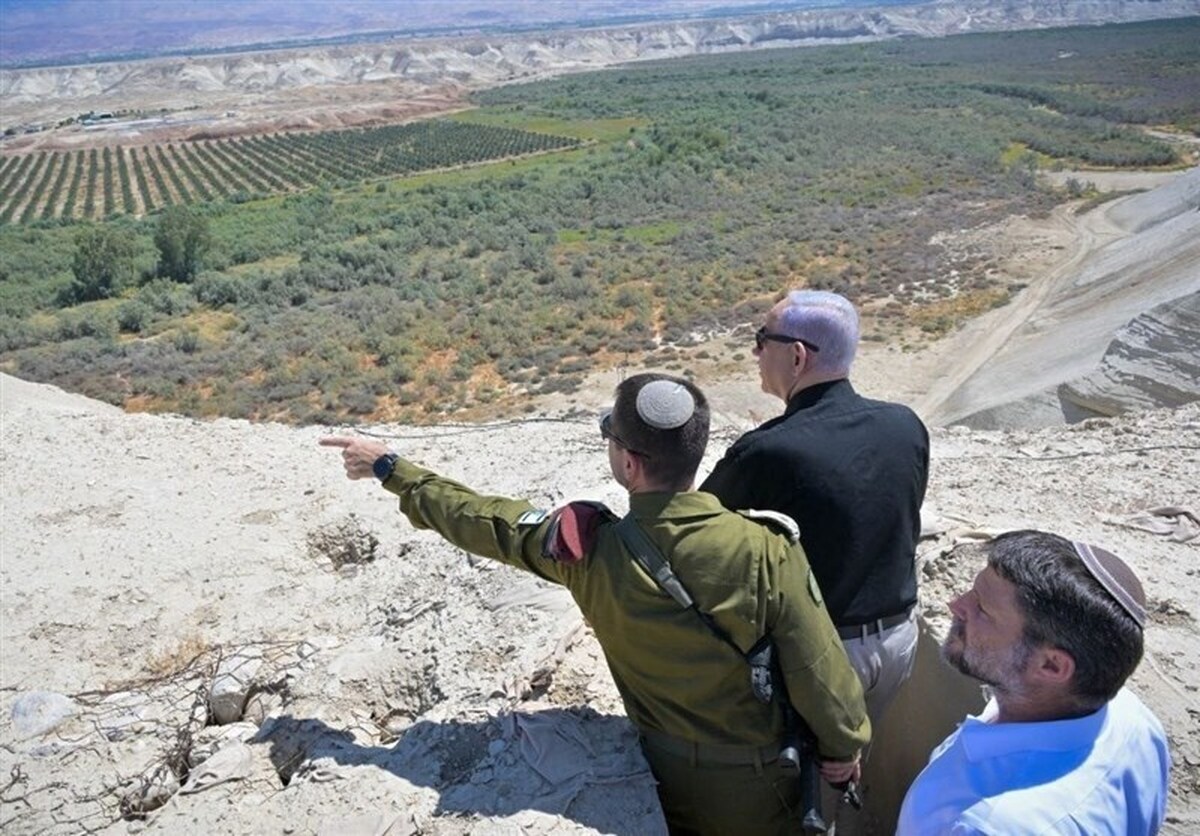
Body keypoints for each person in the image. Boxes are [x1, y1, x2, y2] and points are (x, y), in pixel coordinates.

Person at [322, 373, 870, 835]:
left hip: (659, 778)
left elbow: (483, 521)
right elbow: (817, 669)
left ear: (630, 464)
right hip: (760, 789)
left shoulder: (585, 553)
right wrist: (844, 748)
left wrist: (391, 469)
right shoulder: (763, 550)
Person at [701, 290, 929, 731]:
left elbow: (699, 530)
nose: (755, 351)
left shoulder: (770, 450)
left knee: (801, 780)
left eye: (762, 338)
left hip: (824, 654)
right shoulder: (905, 425)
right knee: (853, 758)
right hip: (899, 640)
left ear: (798, 356)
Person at [897, 530, 1170, 835]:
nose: (956, 605)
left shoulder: (988, 824)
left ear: (1051, 666)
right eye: (972, 593)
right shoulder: (1134, 720)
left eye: (983, 610)